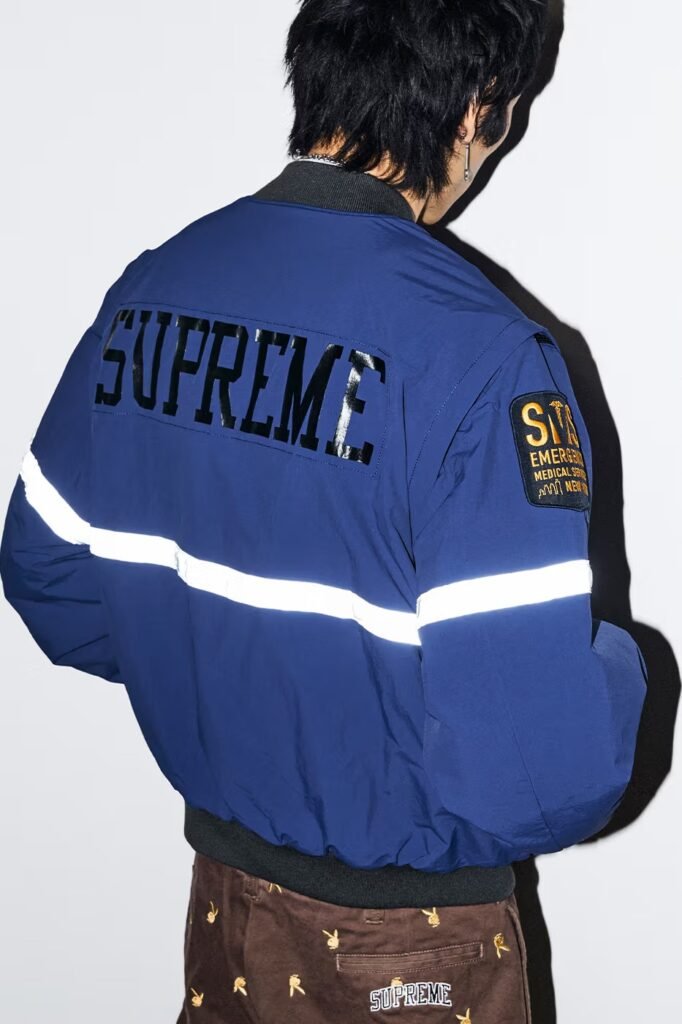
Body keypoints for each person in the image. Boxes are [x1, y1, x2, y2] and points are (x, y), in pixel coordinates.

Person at [0, 1, 647, 1021]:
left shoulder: (152, 291)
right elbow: (533, 775)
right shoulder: (484, 358)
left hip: (227, 912)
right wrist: (627, 667)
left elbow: (49, 578)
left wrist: (229, 664)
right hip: (411, 953)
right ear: (478, 107)